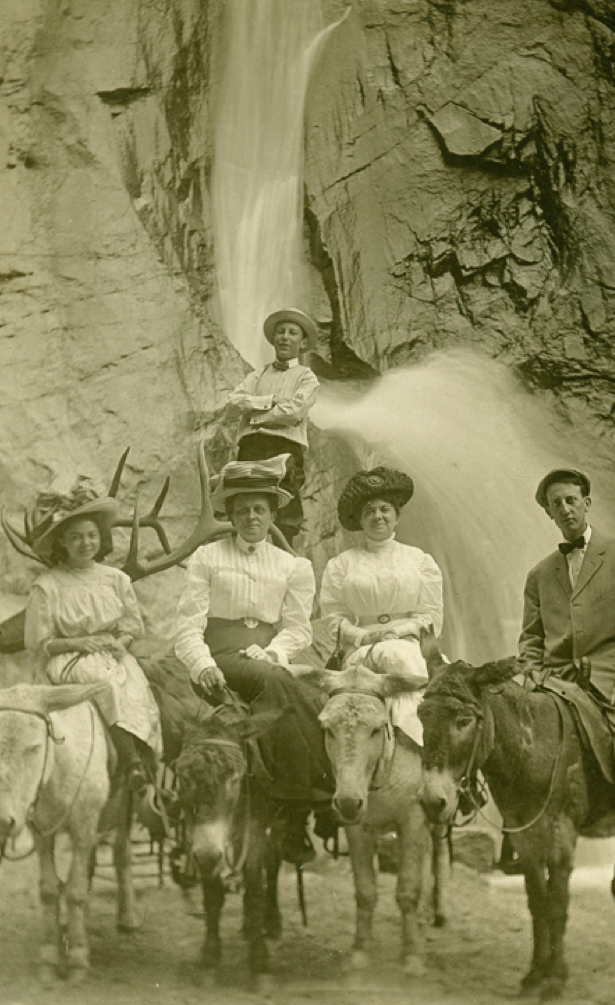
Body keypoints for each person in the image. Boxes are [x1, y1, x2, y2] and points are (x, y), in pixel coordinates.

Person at [175, 456, 333, 865]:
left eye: (259, 509)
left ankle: (293, 802)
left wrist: (275, 652)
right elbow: (188, 626)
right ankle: (303, 809)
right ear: (229, 512)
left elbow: (299, 628)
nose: (250, 517)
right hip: (218, 661)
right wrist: (202, 665)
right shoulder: (207, 558)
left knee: (308, 694)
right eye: (241, 509)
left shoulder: (293, 566)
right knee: (286, 686)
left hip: (266, 658)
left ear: (272, 513)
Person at [517, 467, 615, 898]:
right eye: (554, 505)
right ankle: (517, 836)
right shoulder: (540, 574)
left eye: (570, 500)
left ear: (587, 502)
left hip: (610, 679)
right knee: (518, 743)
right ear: (548, 514)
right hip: (557, 682)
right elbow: (531, 638)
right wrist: (531, 670)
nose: (564, 509)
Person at [24, 480, 162, 793]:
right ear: (63, 542)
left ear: (101, 538)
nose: (85, 543)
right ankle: (131, 763)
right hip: (69, 658)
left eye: (91, 536)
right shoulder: (48, 584)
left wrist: (120, 643)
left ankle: (150, 772)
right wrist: (78, 643)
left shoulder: (116, 579)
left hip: (112, 654)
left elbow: (130, 626)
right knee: (108, 685)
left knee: (141, 691)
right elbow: (40, 642)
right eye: (75, 537)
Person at [319, 466, 444, 744]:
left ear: (397, 516)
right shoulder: (341, 564)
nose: (378, 516)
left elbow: (431, 615)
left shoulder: (420, 560)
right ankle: (412, 743)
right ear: (360, 521)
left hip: (410, 645)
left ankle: (431, 749)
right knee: (394, 659)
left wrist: (397, 633)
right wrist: (363, 635)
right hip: (361, 651)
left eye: (385, 509)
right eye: (369, 511)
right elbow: (333, 617)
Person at [224, 308, 319, 545]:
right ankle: (245, 558)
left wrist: (254, 416)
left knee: (285, 507)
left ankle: (282, 560)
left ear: (302, 342)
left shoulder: (306, 377)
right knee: (246, 502)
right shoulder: (258, 375)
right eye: (280, 332)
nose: (285, 337)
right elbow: (233, 403)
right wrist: (267, 401)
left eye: (292, 333)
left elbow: (294, 411)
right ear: (274, 338)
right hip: (250, 449)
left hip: (285, 449)